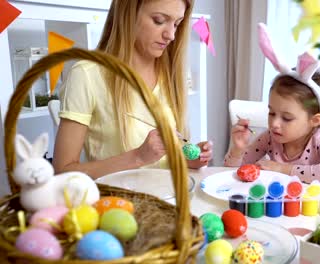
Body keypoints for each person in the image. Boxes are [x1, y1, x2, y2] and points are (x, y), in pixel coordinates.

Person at [53, 0, 212, 179]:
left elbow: (165, 159)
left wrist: (188, 158)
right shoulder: (87, 75)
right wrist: (137, 157)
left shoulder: (170, 74)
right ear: (127, 16)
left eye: (176, 24)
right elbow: (62, 172)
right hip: (117, 201)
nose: (171, 35)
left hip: (169, 198)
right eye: (159, 20)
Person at [224, 23, 320, 185]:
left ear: (315, 120)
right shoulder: (270, 138)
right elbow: (230, 175)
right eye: (271, 113)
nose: (274, 124)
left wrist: (283, 169)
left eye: (287, 118)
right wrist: (237, 150)